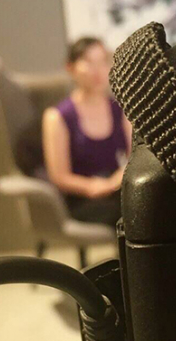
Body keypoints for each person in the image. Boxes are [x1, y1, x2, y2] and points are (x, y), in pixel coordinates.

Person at [42, 37, 132, 227]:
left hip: (118, 189)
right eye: (89, 62)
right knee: (129, 212)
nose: (98, 70)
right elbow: (59, 176)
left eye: (102, 62)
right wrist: (93, 187)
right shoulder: (57, 117)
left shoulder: (120, 109)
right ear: (70, 67)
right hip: (84, 199)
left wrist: (115, 181)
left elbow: (134, 156)